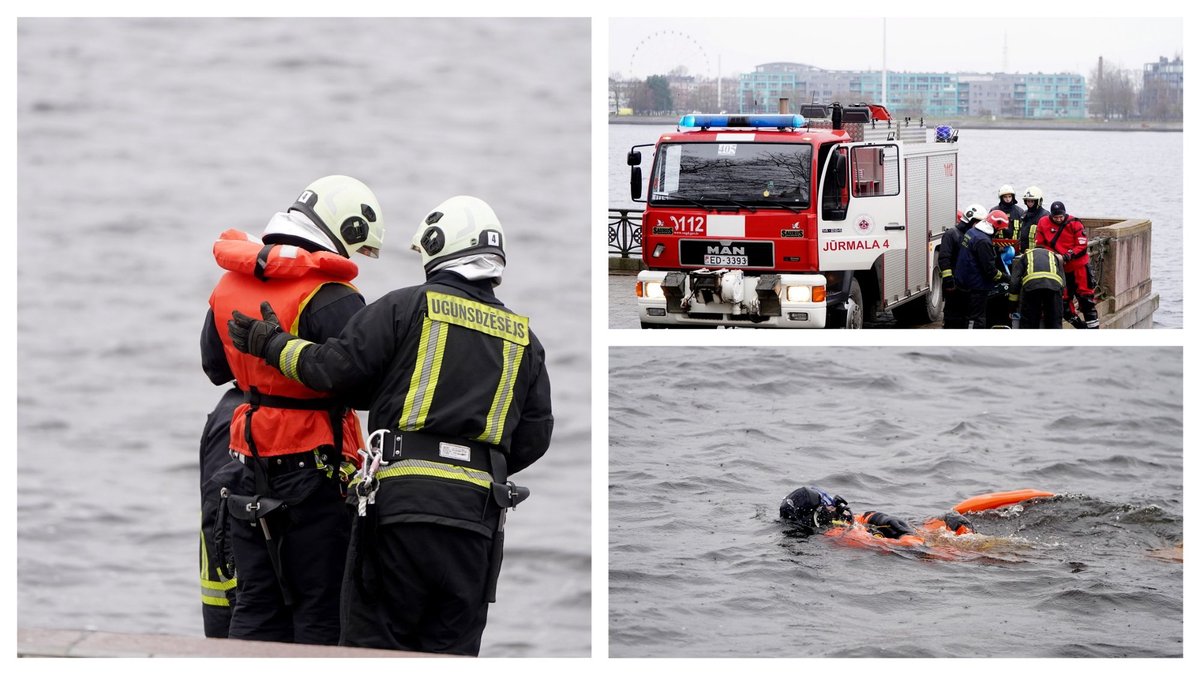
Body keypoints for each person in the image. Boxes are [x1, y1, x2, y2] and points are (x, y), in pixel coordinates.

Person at [226, 195, 554, 656]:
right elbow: (534, 438)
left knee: (373, 651)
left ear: (440, 245)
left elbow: (335, 370)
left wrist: (273, 343)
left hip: (398, 511)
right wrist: (472, 470)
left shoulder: (404, 307)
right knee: (450, 652)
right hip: (477, 523)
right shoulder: (525, 340)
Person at [201, 174, 385, 644]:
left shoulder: (229, 283)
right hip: (315, 470)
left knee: (256, 601)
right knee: (320, 606)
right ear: (346, 228)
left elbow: (215, 368)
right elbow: (362, 387)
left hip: (247, 459)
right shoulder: (333, 297)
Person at [197, 387, 243, 637]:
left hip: (236, 601)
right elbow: (219, 514)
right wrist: (238, 597)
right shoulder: (236, 415)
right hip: (231, 604)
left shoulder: (236, 407)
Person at [779, 487, 973, 540]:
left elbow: (866, 518)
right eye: (827, 503)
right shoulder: (839, 535)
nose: (834, 506)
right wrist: (908, 536)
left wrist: (880, 518)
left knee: (949, 518)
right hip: (927, 548)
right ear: (818, 516)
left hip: (919, 535)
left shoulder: (839, 526)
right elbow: (909, 548)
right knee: (957, 523)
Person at [1036, 200, 1099, 329]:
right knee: (1063, 304)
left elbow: (1081, 245)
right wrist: (1055, 255)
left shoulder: (1074, 223)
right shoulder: (1043, 223)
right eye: (1056, 217)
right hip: (1060, 269)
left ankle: (1094, 330)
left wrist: (1068, 255)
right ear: (1051, 215)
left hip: (1078, 268)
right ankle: (1081, 328)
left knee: (1086, 300)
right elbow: (1040, 244)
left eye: (1061, 217)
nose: (1059, 219)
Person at [954, 210, 1009, 329]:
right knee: (977, 318)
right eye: (1000, 230)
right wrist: (1006, 277)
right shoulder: (983, 241)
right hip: (977, 286)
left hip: (964, 282)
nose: (999, 233)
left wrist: (993, 249)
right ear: (995, 225)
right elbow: (990, 271)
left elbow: (974, 254)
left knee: (966, 315)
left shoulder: (972, 232)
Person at [939, 204, 987, 329]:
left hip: (967, 285)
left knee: (966, 317)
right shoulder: (951, 234)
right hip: (954, 285)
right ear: (972, 221)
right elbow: (944, 259)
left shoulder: (973, 235)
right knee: (952, 318)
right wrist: (949, 280)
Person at [1006, 245, 1066, 329]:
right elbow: (1063, 281)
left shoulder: (1026, 255)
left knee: (1029, 321)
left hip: (1032, 287)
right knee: (1054, 321)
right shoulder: (1053, 255)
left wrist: (1012, 306)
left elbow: (1014, 282)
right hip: (1054, 287)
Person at [1015, 186, 1048, 255]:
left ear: (1038, 201)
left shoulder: (1045, 216)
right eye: (1028, 201)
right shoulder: (1024, 214)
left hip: (1037, 254)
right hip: (1023, 253)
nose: (1029, 203)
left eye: (1032, 201)